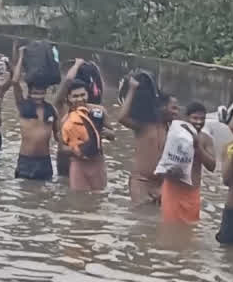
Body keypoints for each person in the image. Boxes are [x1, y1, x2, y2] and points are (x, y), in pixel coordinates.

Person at [118, 74, 177, 205]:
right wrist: (132, 89)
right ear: (161, 107)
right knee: (141, 219)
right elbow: (122, 118)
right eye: (173, 108)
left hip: (161, 184)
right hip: (141, 181)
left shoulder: (172, 129)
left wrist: (165, 186)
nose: (176, 112)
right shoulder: (143, 125)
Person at [160, 101, 215, 223]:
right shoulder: (174, 136)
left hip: (192, 194)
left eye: (202, 119)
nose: (199, 122)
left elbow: (212, 166)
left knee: (190, 231)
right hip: (172, 191)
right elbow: (162, 162)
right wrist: (169, 172)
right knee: (169, 231)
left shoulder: (206, 139)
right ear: (186, 118)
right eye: (195, 118)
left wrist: (197, 147)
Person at [9, 47, 58, 181]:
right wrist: (21, 56)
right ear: (29, 93)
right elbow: (14, 81)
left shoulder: (51, 110)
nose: (38, 96)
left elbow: (59, 136)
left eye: (41, 93)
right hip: (26, 161)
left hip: (44, 162)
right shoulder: (23, 106)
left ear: (45, 92)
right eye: (35, 93)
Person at [61, 80, 114, 193]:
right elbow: (62, 148)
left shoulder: (99, 111)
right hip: (78, 164)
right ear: (69, 98)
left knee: (99, 198)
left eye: (82, 95)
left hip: (97, 163)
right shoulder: (66, 120)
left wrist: (103, 132)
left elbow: (112, 135)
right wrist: (77, 148)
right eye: (75, 96)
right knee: (79, 200)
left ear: (88, 94)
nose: (80, 99)